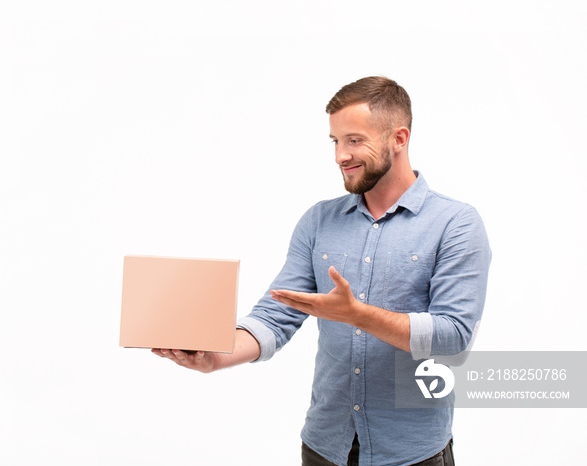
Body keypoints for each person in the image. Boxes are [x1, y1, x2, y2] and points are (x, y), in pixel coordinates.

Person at [153, 76, 491, 466]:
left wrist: (358, 315)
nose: (340, 156)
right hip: (324, 447)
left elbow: (454, 338)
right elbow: (276, 315)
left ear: (399, 139)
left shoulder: (456, 224)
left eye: (354, 140)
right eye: (335, 141)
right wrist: (215, 356)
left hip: (413, 454)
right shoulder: (318, 222)